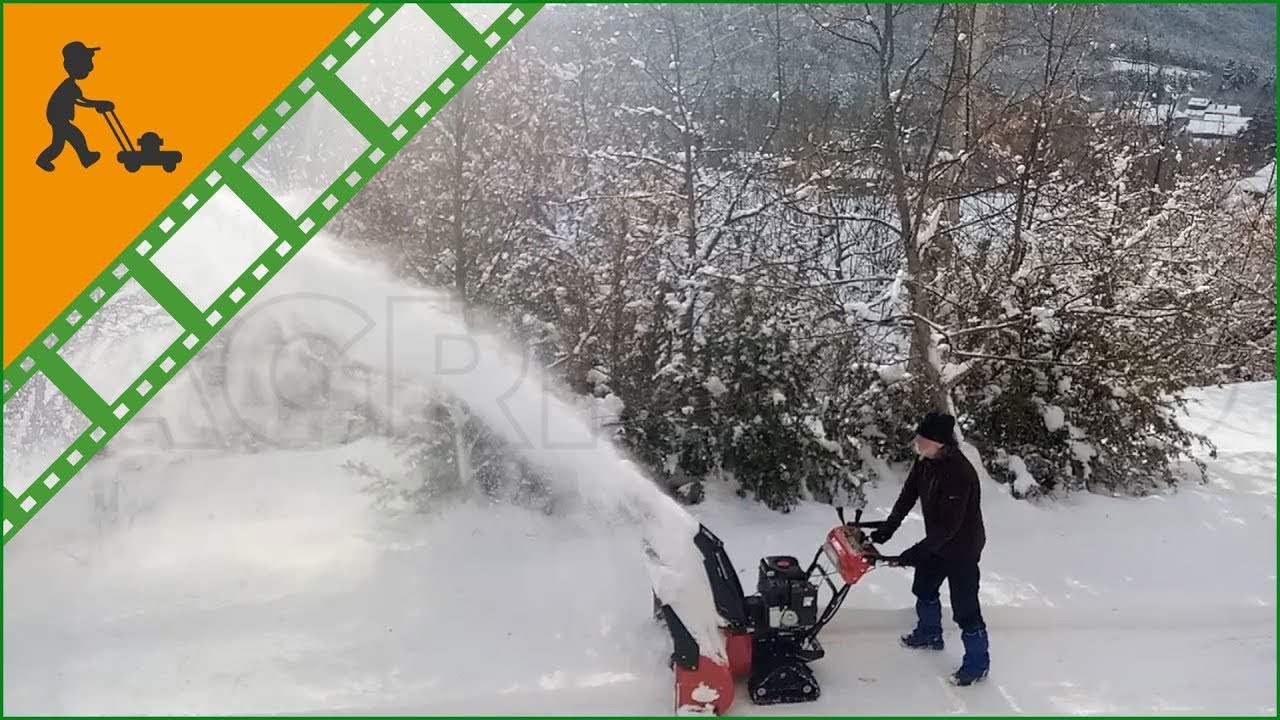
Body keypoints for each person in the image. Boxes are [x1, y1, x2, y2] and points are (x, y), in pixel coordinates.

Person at [870, 411, 989, 686]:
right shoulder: (925, 460)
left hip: (962, 548)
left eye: (921, 437)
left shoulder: (959, 473)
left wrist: (913, 554)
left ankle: (977, 663)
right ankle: (929, 633)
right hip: (937, 541)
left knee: (965, 608)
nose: (916, 441)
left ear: (938, 441)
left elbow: (949, 528)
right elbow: (908, 495)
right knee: (923, 587)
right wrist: (888, 528)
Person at [36, 41, 114, 172]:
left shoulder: (71, 85)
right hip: (58, 118)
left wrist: (98, 104)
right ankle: (45, 160)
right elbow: (82, 102)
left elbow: (81, 101)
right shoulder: (69, 86)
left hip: (58, 118)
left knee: (65, 140)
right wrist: (99, 104)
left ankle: (85, 157)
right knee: (68, 139)